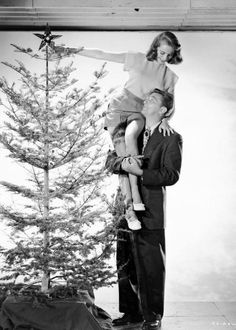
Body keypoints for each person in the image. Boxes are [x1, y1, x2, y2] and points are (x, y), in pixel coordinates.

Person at [52, 32, 182, 231]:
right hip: (119, 107)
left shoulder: (169, 76)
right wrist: (69, 50)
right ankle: (130, 209)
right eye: (162, 52)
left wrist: (165, 120)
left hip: (140, 112)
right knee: (123, 158)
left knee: (131, 140)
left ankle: (136, 198)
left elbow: (169, 104)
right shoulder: (138, 59)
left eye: (168, 56)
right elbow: (102, 54)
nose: (164, 58)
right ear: (155, 47)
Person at [105, 88, 183, 330]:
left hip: (151, 209)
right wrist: (123, 164)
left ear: (163, 110)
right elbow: (111, 160)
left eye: (152, 99)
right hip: (125, 206)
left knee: (150, 264)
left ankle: (152, 315)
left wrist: (140, 172)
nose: (145, 100)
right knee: (125, 260)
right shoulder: (132, 132)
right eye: (146, 97)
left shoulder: (172, 137)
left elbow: (171, 175)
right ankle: (131, 313)